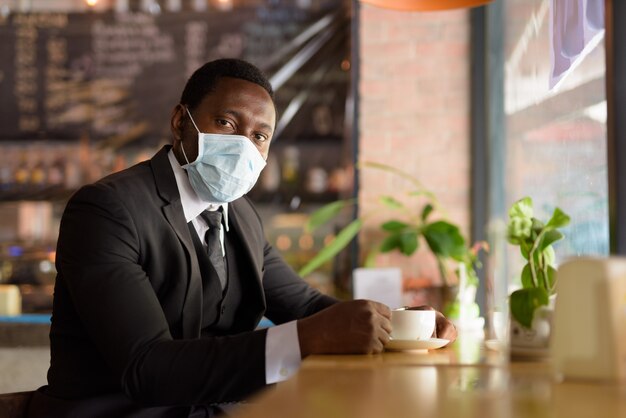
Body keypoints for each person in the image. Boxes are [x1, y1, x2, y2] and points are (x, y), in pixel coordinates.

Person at [27, 59, 456, 417]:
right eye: (227, 122)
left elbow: (306, 307)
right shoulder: (107, 210)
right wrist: (306, 339)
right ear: (181, 122)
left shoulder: (241, 217)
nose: (244, 146)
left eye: (259, 136)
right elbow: (147, 368)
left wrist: (398, 324)